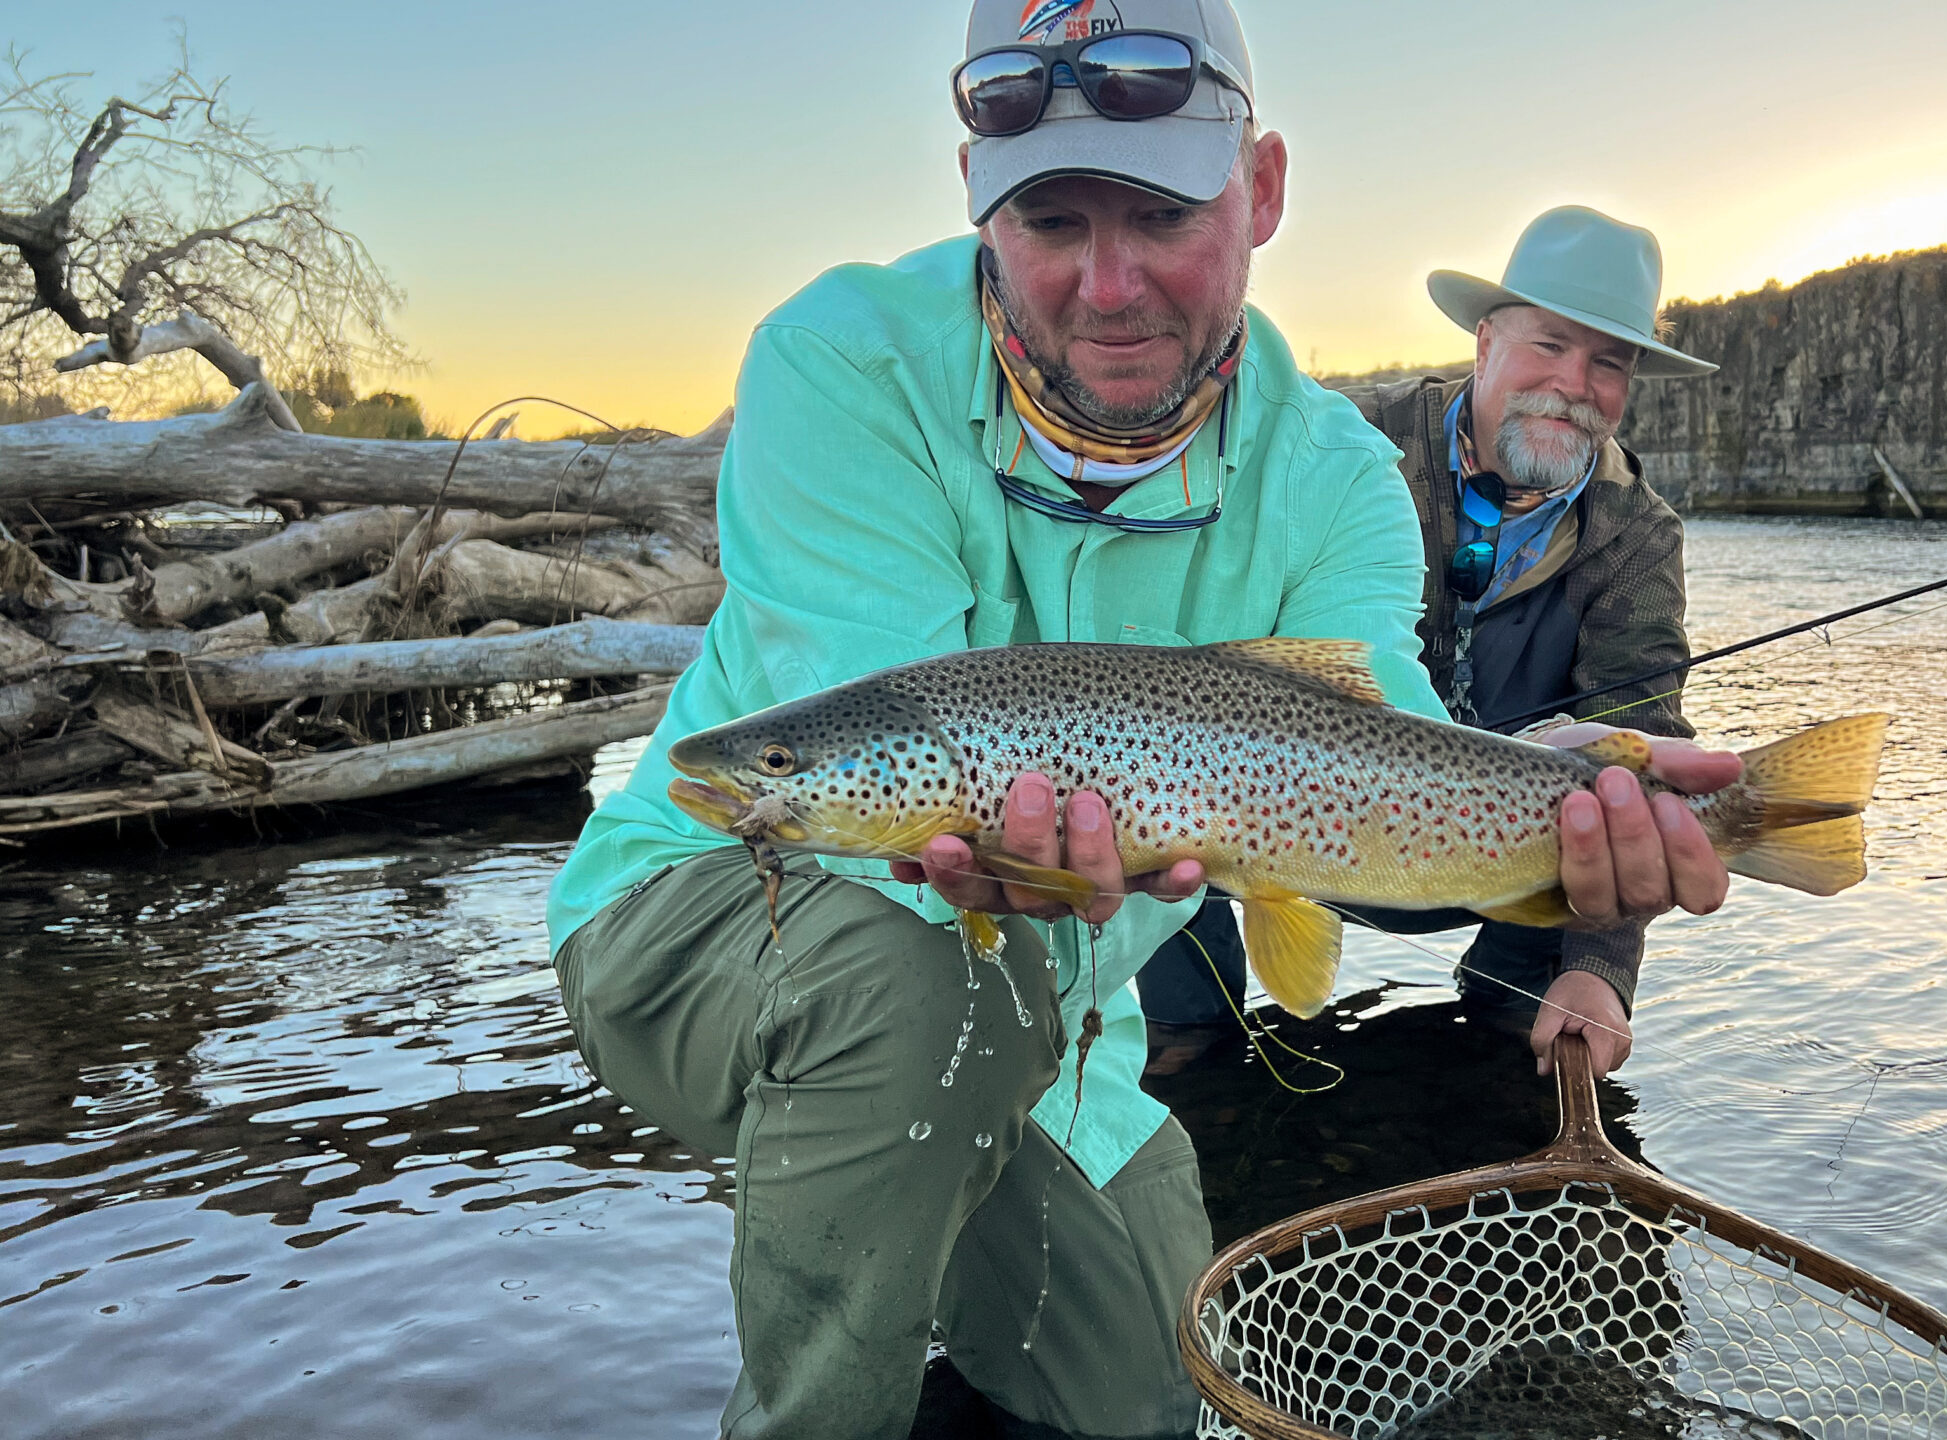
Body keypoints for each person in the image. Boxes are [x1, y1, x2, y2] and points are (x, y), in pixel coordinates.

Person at [545, 4, 1742, 1436]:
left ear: (1265, 194)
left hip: (1069, 1010)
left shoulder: (1339, 479)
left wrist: (1561, 807)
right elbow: (892, 804)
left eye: (1164, 213)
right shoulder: (838, 362)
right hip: (726, 905)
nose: (1108, 285)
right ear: (979, 207)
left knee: (1148, 1396)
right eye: (1051, 219)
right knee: (921, 988)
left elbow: (1390, 730)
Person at [1139, 207, 1716, 1080]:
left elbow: (1643, 742)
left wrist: (1600, 971)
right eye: (1550, 345)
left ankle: (1495, 1063)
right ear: (1485, 343)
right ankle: (1191, 1056)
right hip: (1267, 820)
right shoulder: (1347, 444)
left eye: (1610, 363)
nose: (1574, 383)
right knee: (1156, 795)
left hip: (1507, 855)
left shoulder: (1636, 537)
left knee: (1503, 1056)